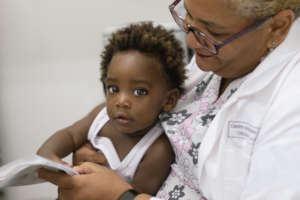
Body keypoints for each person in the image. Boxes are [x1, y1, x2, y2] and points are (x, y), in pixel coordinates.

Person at [38, 0, 300, 199]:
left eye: (212, 31)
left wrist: (122, 196)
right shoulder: (217, 63)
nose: (190, 40)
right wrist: (106, 155)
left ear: (278, 26)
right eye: (189, 17)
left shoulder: (290, 101)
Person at [36, 21, 187, 195]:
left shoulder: (157, 150)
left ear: (168, 100)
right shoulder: (101, 117)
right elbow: (70, 134)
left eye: (139, 91)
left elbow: (132, 197)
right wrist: (49, 155)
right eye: (113, 89)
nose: (121, 101)